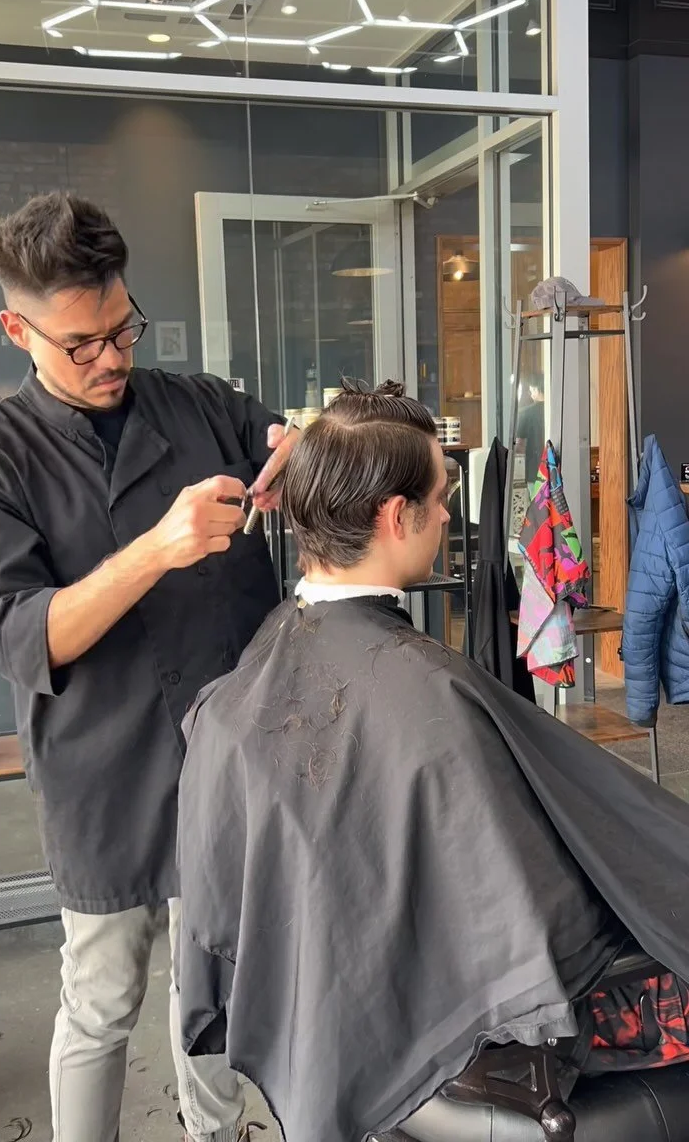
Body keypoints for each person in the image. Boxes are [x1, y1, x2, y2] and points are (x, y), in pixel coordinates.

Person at [177, 379, 689, 1142]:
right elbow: (534, 916)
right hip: (461, 1039)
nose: (448, 515)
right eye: (440, 497)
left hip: (330, 1015)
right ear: (395, 516)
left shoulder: (238, 688)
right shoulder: (432, 702)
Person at [0, 193, 297, 1142]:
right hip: (101, 768)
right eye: (81, 344)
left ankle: (215, 1132)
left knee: (214, 984)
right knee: (102, 995)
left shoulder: (200, 406)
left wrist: (307, 450)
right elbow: (20, 632)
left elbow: (289, 444)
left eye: (122, 329)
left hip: (226, 753)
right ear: (17, 331)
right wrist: (158, 547)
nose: (111, 358)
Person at [515, 371, 545, 489]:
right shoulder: (554, 411)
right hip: (554, 468)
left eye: (531, 390)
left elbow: (519, 445)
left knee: (536, 500)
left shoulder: (525, 413)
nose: (531, 394)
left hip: (534, 470)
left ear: (537, 389)